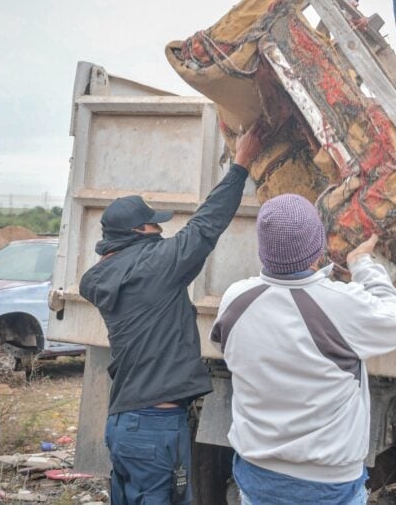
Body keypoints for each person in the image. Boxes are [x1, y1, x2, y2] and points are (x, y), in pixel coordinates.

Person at [80, 125, 263, 504]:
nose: (160, 229)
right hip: (156, 429)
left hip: (124, 424)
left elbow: (109, 266)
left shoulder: (103, 277)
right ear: (138, 232)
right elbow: (206, 224)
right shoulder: (155, 266)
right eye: (153, 224)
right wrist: (240, 165)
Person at [210, 194, 396, 505]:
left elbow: (222, 343)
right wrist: (362, 265)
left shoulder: (236, 299)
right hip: (326, 484)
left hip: (257, 474)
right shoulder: (340, 304)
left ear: (262, 249)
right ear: (318, 248)